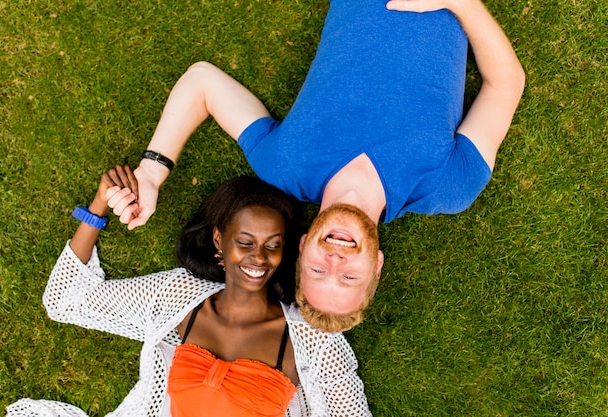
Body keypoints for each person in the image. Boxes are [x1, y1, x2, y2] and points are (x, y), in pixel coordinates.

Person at [109, 0, 525, 331]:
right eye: (348, 278)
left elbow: (202, 81)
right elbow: (506, 84)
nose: (336, 261)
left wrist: (152, 172)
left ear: (303, 245)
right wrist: (463, 5)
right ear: (376, 265)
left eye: (317, 270)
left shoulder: (284, 165)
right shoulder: (449, 188)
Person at [7, 166, 371, 417]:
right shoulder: (177, 297)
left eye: (272, 245)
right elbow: (65, 300)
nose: (258, 258)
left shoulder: (313, 340)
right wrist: (99, 205)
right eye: (245, 241)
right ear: (219, 240)